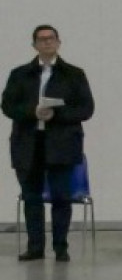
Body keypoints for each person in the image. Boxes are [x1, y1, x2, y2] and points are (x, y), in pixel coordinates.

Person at [3, 25, 94, 263]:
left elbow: (86, 109)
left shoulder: (74, 74)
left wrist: (57, 115)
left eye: (51, 38)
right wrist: (33, 111)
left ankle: (61, 247)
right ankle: (35, 247)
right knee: (31, 198)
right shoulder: (19, 74)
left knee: (61, 197)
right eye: (41, 39)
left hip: (61, 144)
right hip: (28, 144)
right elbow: (8, 106)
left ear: (58, 42)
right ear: (34, 45)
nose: (47, 43)